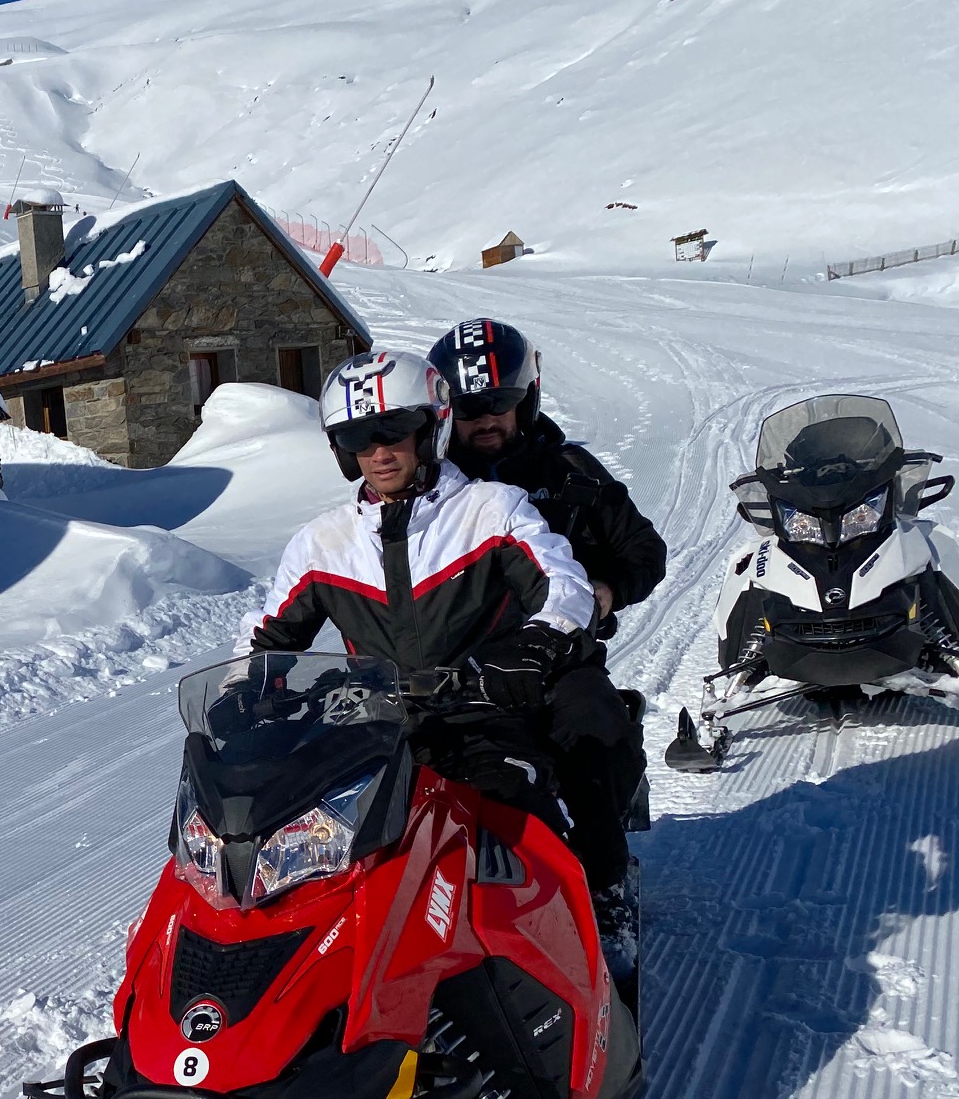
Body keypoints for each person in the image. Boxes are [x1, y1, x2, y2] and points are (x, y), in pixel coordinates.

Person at [241, 347, 594, 836]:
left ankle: (599, 895)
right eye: (359, 438)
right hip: (375, 727)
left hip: (486, 716)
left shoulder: (491, 511)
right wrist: (240, 688)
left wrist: (536, 644)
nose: (379, 453)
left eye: (394, 431)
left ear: (431, 430)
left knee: (517, 827)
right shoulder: (323, 543)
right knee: (301, 831)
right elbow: (266, 638)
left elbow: (563, 584)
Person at [428, 321, 666, 942]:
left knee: (590, 731)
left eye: (499, 405)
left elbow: (643, 549)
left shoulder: (569, 473)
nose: (486, 420)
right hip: (458, 660)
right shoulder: (429, 484)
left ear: (526, 399)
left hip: (558, 657)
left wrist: (605, 591)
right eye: (470, 407)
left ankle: (607, 884)